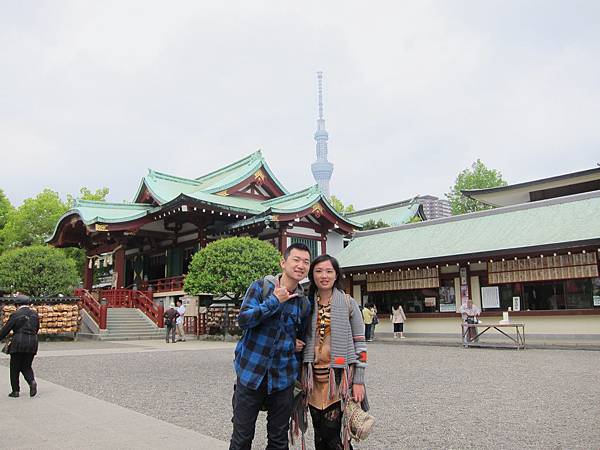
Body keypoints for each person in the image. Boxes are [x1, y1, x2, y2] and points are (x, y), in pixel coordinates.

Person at [230, 243, 312, 450]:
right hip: (251, 374)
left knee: (278, 440)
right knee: (242, 438)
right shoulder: (260, 287)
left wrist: (293, 344)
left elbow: (300, 339)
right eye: (296, 259)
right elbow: (243, 320)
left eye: (306, 262)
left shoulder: (304, 303)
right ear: (283, 262)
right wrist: (274, 301)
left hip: (282, 378)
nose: (301, 265)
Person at [301, 254, 368, 450]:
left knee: (334, 435)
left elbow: (361, 345)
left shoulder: (348, 303)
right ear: (312, 275)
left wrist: (359, 380)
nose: (324, 276)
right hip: (312, 380)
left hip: (338, 380)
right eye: (319, 271)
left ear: (336, 274)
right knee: (319, 435)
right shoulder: (306, 303)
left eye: (329, 271)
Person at [0, 295, 39, 398]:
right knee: (26, 366)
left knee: (15, 367)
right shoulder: (35, 314)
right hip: (33, 342)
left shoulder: (16, 314)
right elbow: (37, 328)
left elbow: (6, 329)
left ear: (16, 304)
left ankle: (15, 391)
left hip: (18, 342)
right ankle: (32, 382)